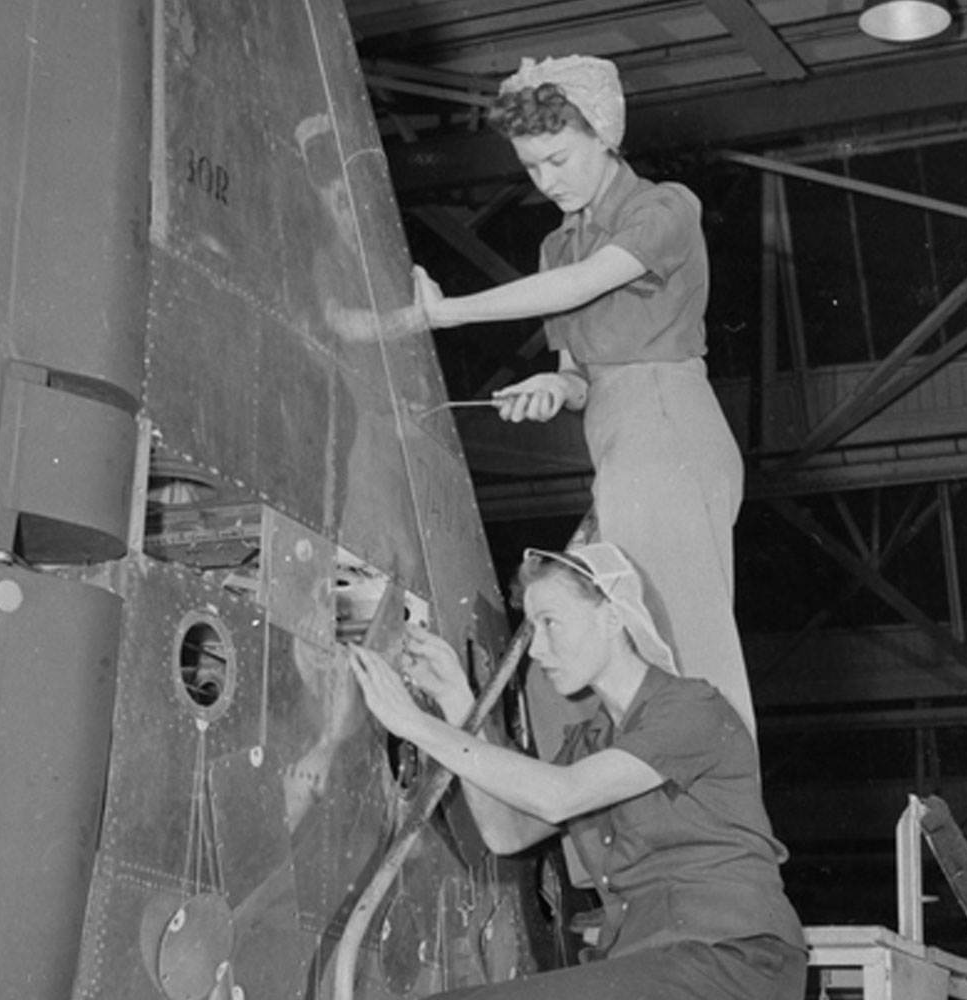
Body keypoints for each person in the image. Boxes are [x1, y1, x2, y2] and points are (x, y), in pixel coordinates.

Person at [410, 54, 756, 735]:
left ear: (604, 134)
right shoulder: (554, 247)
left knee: (683, 639)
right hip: (617, 438)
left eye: (561, 160)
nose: (548, 182)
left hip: (668, 422)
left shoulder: (665, 206)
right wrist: (552, 384)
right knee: (617, 646)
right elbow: (578, 373)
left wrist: (448, 312)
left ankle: (722, 815)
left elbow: (589, 283)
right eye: (533, 168)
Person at [344, 543, 806, 1000]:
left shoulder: (692, 708)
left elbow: (559, 795)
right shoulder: (589, 742)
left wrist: (413, 725)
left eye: (550, 623)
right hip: (648, 964)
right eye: (531, 626)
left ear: (611, 617)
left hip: (731, 961)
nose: (537, 649)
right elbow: (506, 833)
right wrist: (456, 702)